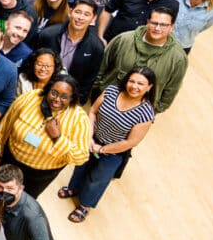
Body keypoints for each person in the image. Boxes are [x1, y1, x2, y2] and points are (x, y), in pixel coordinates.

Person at [62, 66, 156, 222]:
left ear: (149, 87)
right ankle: (73, 188)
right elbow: (92, 111)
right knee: (81, 165)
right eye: (131, 81)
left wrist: (102, 149)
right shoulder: (112, 91)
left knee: (98, 178)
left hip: (114, 151)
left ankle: (84, 205)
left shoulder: (146, 113)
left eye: (140, 83)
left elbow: (131, 142)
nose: (134, 86)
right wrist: (89, 137)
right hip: (92, 138)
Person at [0, 75, 91, 198]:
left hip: (38, 175)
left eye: (64, 97)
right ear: (48, 89)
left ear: (72, 98)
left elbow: (81, 157)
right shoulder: (31, 97)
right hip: (10, 160)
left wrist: (58, 138)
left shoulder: (79, 119)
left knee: (20, 201)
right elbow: (7, 123)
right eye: (54, 93)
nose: (57, 99)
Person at [93, 7, 186, 113]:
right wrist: (98, 90)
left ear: (172, 27)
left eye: (164, 25)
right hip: (104, 102)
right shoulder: (123, 40)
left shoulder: (178, 58)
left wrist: (154, 110)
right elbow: (101, 65)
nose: (157, 28)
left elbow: (171, 88)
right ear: (147, 22)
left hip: (138, 115)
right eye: (154, 23)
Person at [38, 0, 106, 101]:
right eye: (78, 12)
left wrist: (77, 103)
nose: (80, 18)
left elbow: (88, 82)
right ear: (70, 12)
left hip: (69, 96)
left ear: (93, 18)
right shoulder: (48, 35)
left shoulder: (96, 47)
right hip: (42, 89)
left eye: (86, 14)